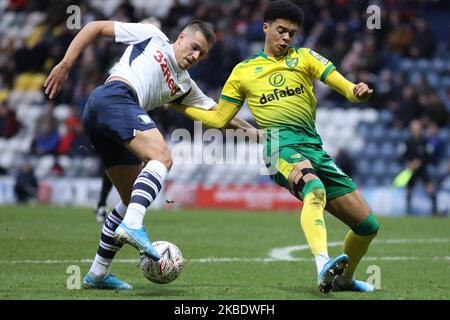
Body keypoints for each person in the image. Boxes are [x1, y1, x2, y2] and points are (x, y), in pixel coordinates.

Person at [173, 0, 379, 293]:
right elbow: (219, 120)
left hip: (314, 147)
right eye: (281, 30)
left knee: (367, 226)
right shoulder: (244, 71)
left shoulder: (306, 57)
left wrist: (358, 91)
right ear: (266, 27)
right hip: (277, 147)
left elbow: (347, 89)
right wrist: (179, 104)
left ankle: (345, 280)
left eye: (292, 34)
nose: (286, 38)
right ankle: (323, 264)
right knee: (315, 190)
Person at [44, 19, 256, 290]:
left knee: (130, 197)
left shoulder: (184, 86)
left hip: (103, 116)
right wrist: (66, 64)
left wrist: (260, 136)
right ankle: (134, 225)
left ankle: (97, 273)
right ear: (179, 38)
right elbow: (94, 27)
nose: (195, 56)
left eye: (201, 54)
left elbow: (220, 115)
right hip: (115, 96)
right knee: (163, 157)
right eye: (193, 47)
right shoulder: (152, 36)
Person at [402, 119, 437, 215]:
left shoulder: (425, 141)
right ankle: (408, 212)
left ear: (420, 129)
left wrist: (420, 162)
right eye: (413, 128)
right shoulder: (408, 141)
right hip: (411, 169)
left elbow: (429, 155)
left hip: (422, 169)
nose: (415, 130)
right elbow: (403, 155)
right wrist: (409, 163)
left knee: (430, 189)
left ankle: (435, 211)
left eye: (417, 128)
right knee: (409, 190)